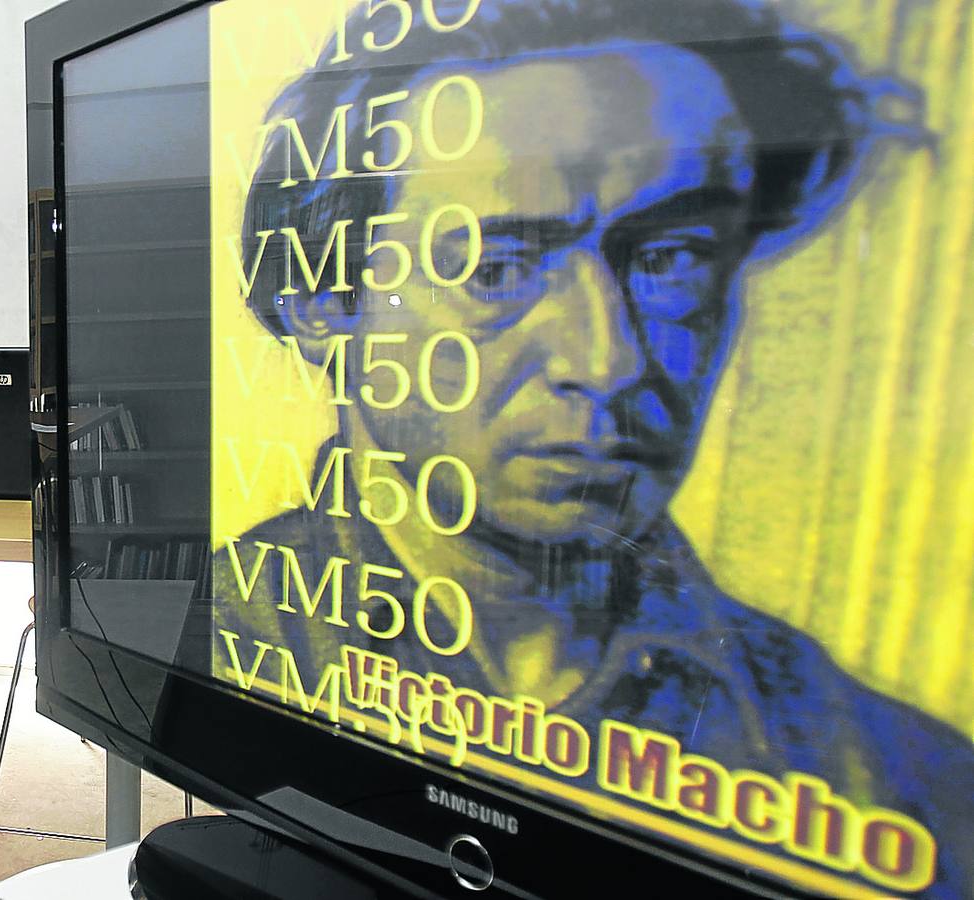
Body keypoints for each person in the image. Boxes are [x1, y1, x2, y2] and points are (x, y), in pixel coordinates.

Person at [219, 1, 974, 896]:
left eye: (673, 257)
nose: (608, 361)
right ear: (323, 300)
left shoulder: (898, 780)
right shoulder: (219, 632)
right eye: (494, 268)